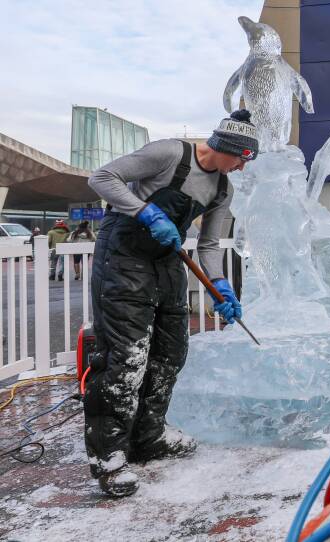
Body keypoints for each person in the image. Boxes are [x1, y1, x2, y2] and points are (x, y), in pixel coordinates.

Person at [84, 109, 257, 497]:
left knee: (170, 351)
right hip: (125, 255)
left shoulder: (223, 189)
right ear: (228, 147)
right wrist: (143, 210)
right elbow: (101, 177)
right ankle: (108, 457)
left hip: (167, 259)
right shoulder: (167, 154)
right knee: (126, 356)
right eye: (244, 159)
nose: (243, 169)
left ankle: (149, 435)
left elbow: (210, 245)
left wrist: (221, 288)